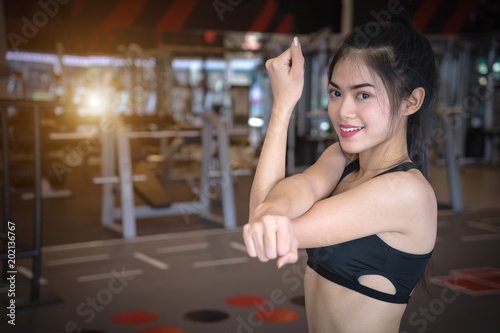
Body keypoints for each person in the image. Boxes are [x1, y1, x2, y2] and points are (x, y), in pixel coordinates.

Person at [243, 10, 438, 333]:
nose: (343, 111)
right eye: (336, 93)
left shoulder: (406, 192)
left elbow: (267, 231)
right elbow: (295, 190)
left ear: (411, 101)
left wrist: (270, 214)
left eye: (363, 94)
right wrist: (274, 208)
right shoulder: (343, 157)